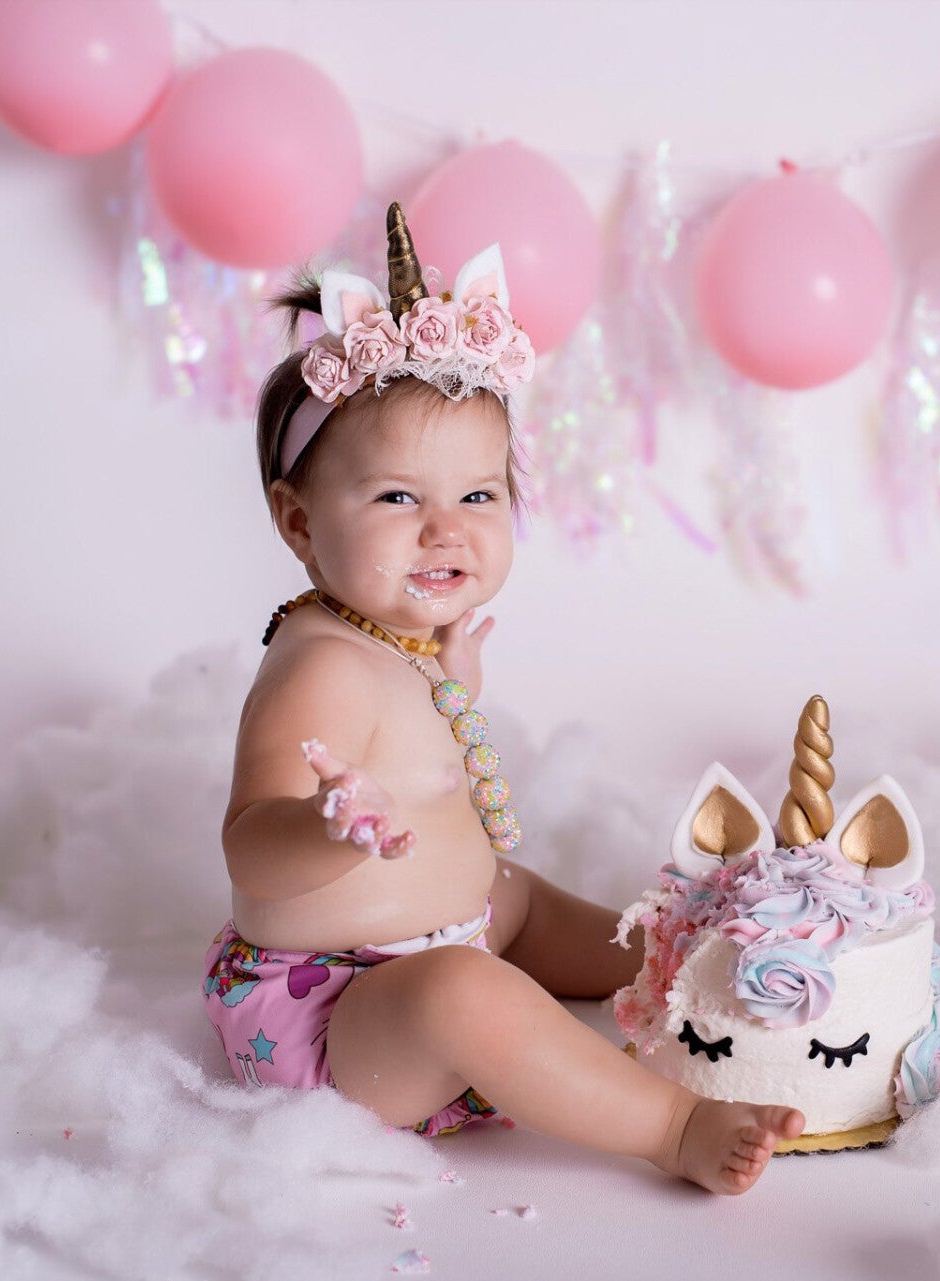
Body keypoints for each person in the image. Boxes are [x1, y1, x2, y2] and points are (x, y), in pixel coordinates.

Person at [203, 203, 804, 1194]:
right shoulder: (319, 668)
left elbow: (422, 749)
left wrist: (452, 690)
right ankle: (672, 1127)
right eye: (398, 497)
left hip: (444, 935)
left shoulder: (393, 635)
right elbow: (248, 843)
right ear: (298, 522)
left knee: (510, 893)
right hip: (339, 1013)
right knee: (463, 991)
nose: (445, 529)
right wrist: (325, 829)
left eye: (477, 496)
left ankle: (659, 960)